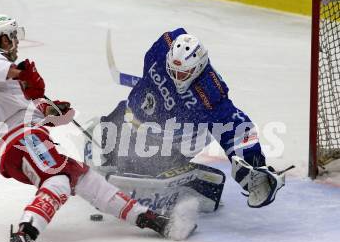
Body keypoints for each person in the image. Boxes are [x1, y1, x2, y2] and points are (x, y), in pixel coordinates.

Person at [0, 15, 196, 242]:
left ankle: (150, 219)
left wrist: (52, 110)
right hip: (19, 140)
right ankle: (22, 238)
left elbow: (32, 107)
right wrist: (23, 75)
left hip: (30, 138)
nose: (15, 42)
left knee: (86, 178)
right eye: (10, 37)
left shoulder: (9, 79)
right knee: (57, 179)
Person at [85, 28, 287, 212]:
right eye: (172, 70)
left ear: (199, 67)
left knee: (139, 167)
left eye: (183, 73)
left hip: (173, 140)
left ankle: (194, 181)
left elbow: (237, 127)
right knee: (109, 137)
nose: (176, 76)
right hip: (136, 119)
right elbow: (148, 79)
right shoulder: (162, 47)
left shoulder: (209, 92)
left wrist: (254, 164)